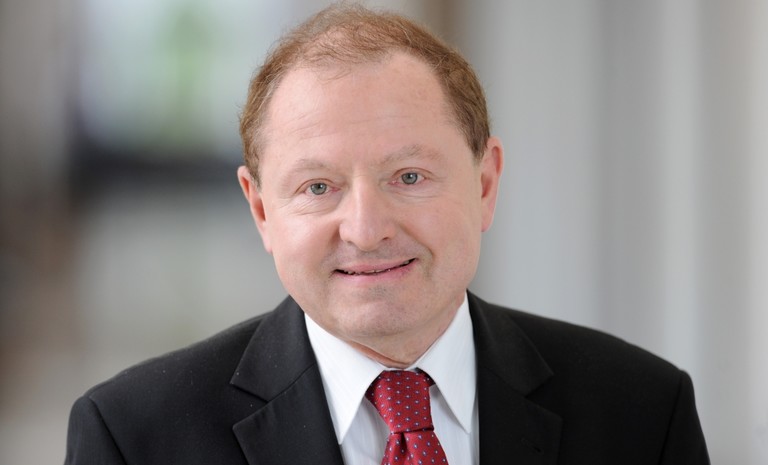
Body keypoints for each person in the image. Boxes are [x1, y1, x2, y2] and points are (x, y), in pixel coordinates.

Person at [64, 4, 709, 464]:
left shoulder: (643, 412)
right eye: (318, 187)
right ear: (261, 210)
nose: (366, 230)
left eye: (409, 176)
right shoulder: (133, 437)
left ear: (485, 184)